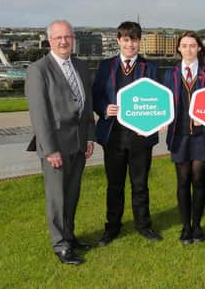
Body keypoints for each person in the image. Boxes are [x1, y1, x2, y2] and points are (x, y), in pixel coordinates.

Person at [25, 20, 96, 266]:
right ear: (49, 41)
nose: (64, 41)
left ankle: (70, 235)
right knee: (57, 197)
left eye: (67, 36)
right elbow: (39, 114)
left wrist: (89, 136)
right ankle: (60, 245)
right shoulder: (38, 70)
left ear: (73, 38)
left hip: (79, 143)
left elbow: (88, 105)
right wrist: (49, 149)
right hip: (56, 146)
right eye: (58, 38)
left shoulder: (80, 66)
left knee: (72, 194)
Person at [91, 21, 162, 246]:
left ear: (139, 42)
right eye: (126, 39)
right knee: (115, 185)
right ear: (119, 41)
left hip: (141, 136)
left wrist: (159, 118)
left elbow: (160, 98)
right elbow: (96, 95)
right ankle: (112, 227)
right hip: (114, 134)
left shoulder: (150, 67)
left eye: (134, 39)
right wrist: (104, 109)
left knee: (140, 185)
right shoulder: (106, 66)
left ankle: (144, 225)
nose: (130, 44)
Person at [163, 31, 205, 244]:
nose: (188, 49)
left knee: (199, 180)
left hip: (202, 136)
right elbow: (164, 103)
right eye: (184, 46)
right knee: (183, 181)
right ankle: (185, 227)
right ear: (179, 49)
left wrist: (204, 119)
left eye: (192, 45)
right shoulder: (171, 74)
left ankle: (197, 226)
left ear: (198, 49)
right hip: (179, 135)